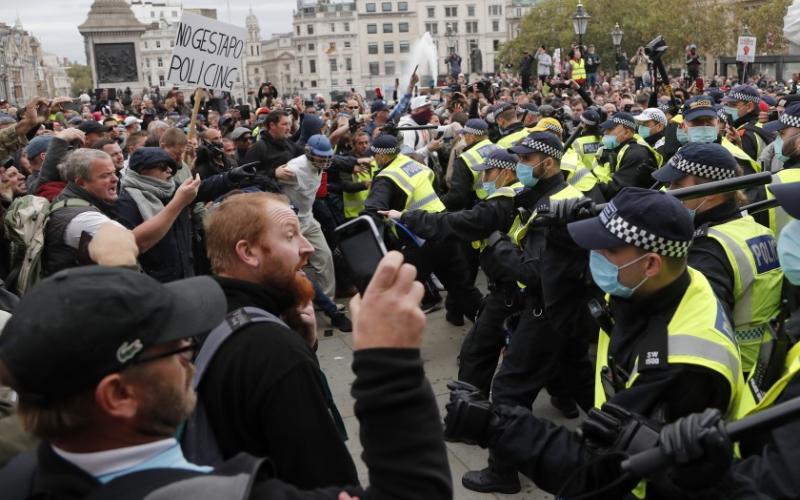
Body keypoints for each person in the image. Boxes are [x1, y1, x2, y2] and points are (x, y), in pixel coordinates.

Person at [0, 254, 452, 500]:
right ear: (118, 395)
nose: (190, 359)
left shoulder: (19, 475)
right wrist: (389, 362)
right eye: (175, 348)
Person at [449, 187, 745, 498]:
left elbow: (597, 470)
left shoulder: (677, 361)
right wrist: (562, 242)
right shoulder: (667, 285)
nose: (596, 256)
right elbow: (568, 320)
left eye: (607, 249)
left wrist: (496, 427)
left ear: (651, 264)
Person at [462, 133, 595, 493]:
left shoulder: (553, 209)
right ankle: (622, 445)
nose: (519, 164)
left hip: (546, 311)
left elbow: (533, 273)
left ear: (547, 163)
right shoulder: (556, 197)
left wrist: (499, 246)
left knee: (508, 390)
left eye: (525, 158)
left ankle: (502, 471)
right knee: (584, 381)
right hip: (568, 309)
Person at [382, 149, 524, 395]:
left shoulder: (499, 205)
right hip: (517, 288)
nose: (484, 179)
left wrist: (406, 217)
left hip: (511, 290)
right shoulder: (522, 194)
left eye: (489, 173)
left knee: (477, 352)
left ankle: (468, 410)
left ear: (506, 172)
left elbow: (453, 223)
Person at [653, 142, 783, 374]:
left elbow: (697, 328)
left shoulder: (708, 250)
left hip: (728, 368)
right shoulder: (754, 229)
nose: (668, 191)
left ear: (711, 193)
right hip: (760, 361)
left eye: (677, 184)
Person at [363, 134, 483, 323]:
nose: (373, 159)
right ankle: (488, 326)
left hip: (420, 238)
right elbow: (433, 181)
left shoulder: (386, 178)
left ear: (383, 156)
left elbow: (372, 209)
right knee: (461, 285)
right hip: (443, 226)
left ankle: (393, 339)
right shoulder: (411, 163)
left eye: (375, 155)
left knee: (403, 289)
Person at [278, 134, 351, 329]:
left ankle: (327, 302)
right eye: (320, 157)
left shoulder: (320, 166)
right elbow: (274, 179)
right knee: (295, 268)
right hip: (291, 224)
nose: (324, 161)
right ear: (310, 154)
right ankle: (303, 306)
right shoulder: (294, 169)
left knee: (325, 256)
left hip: (308, 219)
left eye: (326, 157)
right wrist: (275, 172)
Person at [593, 112, 662, 200]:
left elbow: (616, 190)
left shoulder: (637, 154)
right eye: (606, 129)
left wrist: (590, 189)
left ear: (626, 132)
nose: (605, 132)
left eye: (610, 129)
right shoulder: (615, 149)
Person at [440, 118, 498, 211]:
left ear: (472, 137)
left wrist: (438, 205)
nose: (463, 138)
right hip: (501, 201)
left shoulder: (466, 158)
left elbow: (457, 197)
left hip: (479, 206)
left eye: (464, 135)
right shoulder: (500, 148)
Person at [243, 110, 302, 192]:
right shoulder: (258, 148)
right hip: (267, 198)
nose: (288, 128)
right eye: (284, 124)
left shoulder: (290, 145)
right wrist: (274, 173)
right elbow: (246, 177)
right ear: (272, 125)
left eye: (289, 124)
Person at [722, 85, 775, 162]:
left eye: (733, 105)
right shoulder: (764, 124)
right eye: (727, 104)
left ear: (749, 106)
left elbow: (743, 168)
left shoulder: (744, 134)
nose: (728, 108)